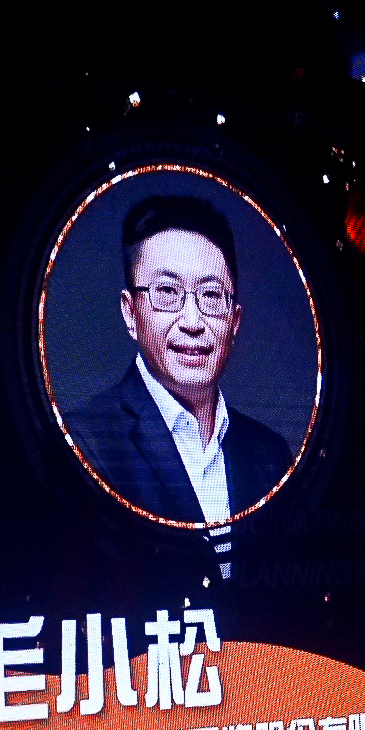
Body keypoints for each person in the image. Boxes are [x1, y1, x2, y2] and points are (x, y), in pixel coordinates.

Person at [64, 193, 295, 525]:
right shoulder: (85, 443)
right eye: (167, 292)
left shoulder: (270, 455)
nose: (192, 321)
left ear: (235, 320)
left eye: (211, 295)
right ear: (130, 313)